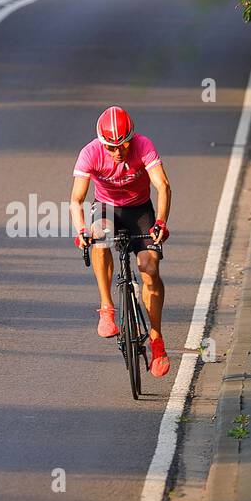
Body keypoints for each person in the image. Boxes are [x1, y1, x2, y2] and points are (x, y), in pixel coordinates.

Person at [70, 106, 172, 378]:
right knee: (99, 235)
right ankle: (107, 308)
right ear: (102, 143)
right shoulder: (90, 152)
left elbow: (162, 186)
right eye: (111, 147)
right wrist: (81, 230)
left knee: (150, 271)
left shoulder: (144, 146)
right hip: (107, 208)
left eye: (123, 145)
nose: (117, 152)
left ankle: (157, 340)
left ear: (132, 138)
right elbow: (77, 199)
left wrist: (161, 221)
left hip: (140, 210)